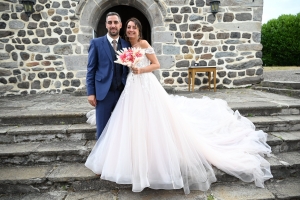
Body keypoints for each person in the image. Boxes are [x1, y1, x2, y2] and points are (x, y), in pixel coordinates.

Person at [85, 17, 273, 194]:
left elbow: (156, 64)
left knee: (152, 119)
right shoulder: (126, 46)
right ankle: (124, 159)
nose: (131, 29)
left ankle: (154, 160)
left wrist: (141, 69)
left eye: (133, 27)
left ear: (139, 30)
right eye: (129, 27)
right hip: (130, 88)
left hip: (145, 85)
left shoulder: (143, 44)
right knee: (129, 122)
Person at [86, 12, 131, 139]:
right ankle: (101, 157)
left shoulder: (127, 45)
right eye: (110, 22)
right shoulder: (96, 43)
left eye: (115, 22)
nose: (113, 25)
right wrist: (91, 93)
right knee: (102, 130)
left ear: (120, 25)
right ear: (106, 25)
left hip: (123, 93)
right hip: (103, 93)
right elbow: (91, 69)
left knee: (122, 129)